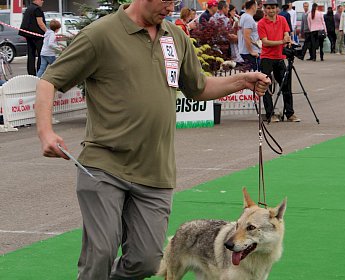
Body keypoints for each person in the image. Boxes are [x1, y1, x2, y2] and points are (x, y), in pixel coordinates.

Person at [34, 0, 271, 279]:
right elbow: (49, 80)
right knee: (100, 253)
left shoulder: (175, 36)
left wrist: (242, 81)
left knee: (146, 261)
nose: (170, 7)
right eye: (165, 0)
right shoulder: (101, 34)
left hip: (155, 170)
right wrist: (45, 131)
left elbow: (199, 87)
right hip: (104, 165)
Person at [258, 0, 300, 123]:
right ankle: (270, 114)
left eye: (273, 8)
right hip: (266, 58)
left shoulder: (282, 19)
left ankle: (290, 113)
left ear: (277, 9)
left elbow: (286, 34)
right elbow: (265, 42)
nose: (271, 10)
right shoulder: (261, 23)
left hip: (280, 57)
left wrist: (287, 40)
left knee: (286, 85)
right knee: (266, 86)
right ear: (265, 10)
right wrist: (282, 42)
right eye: (268, 8)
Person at [18, 0, 46, 76]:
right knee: (41, 54)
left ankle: (31, 73)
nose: (43, 1)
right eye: (41, 0)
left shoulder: (29, 8)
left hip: (28, 34)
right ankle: (40, 72)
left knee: (31, 54)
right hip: (37, 35)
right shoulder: (37, 9)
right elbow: (40, 23)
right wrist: (47, 32)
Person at [238, 0, 260, 70]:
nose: (257, 8)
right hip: (249, 52)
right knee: (255, 74)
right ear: (253, 7)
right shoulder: (248, 18)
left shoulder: (243, 16)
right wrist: (251, 51)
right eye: (256, 6)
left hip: (245, 51)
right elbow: (246, 36)